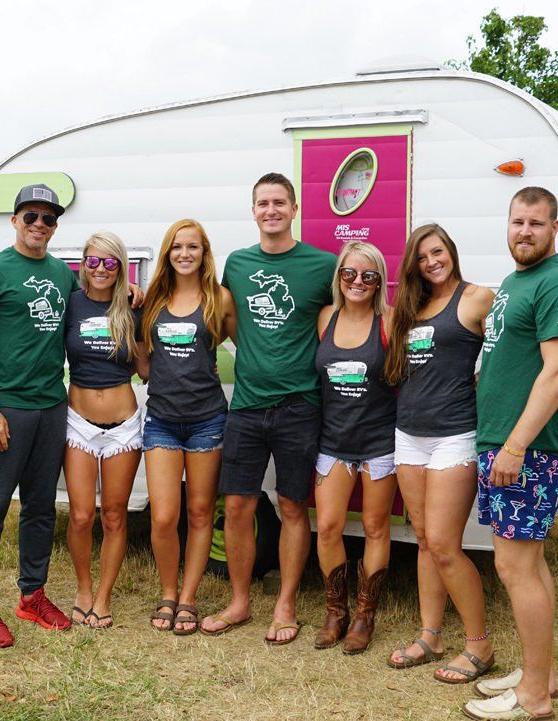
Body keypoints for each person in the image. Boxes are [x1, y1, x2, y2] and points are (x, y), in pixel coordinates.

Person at [462, 187, 558, 721]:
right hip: (504, 443)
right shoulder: (517, 282)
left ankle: (534, 698)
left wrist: (515, 445)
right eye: (518, 221)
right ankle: (543, 675)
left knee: (513, 568)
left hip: (527, 450)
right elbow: (521, 362)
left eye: (536, 223)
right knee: (530, 566)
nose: (525, 232)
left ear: (554, 228)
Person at [200, 172, 337, 645]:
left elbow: (355, 318)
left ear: (294, 209)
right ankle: (239, 602)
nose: (271, 210)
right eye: (263, 203)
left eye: (280, 202)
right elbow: (217, 313)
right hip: (247, 406)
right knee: (237, 505)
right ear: (253, 210)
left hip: (301, 406)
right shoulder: (237, 264)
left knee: (293, 506)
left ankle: (286, 605)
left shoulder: (323, 264)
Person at [0, 183, 75, 648]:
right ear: (15, 221)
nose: (39, 226)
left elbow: (94, 296)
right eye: (31, 216)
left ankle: (32, 596)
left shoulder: (63, 275)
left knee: (41, 509)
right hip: (6, 407)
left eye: (48, 219)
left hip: (51, 406)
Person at [383, 223, 497, 682]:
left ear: (450, 251)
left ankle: (479, 646)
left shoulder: (476, 298)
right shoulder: (409, 308)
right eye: (422, 256)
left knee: (447, 545)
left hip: (455, 434)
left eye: (438, 252)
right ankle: (431, 636)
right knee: (424, 539)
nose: (432, 261)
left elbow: (513, 352)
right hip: (409, 433)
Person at [140, 219, 235, 635]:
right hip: (161, 420)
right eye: (177, 247)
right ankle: (167, 591)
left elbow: (247, 345)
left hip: (207, 420)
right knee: (163, 516)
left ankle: (189, 597)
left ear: (204, 253)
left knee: (199, 513)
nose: (184, 254)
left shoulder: (219, 299)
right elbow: (143, 358)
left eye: (192, 247)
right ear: (167, 253)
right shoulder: (153, 301)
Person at [311, 241, 397, 655]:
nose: (357, 282)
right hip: (333, 442)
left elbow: (428, 371)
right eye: (349, 273)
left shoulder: (391, 322)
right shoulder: (325, 318)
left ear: (379, 281)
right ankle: (336, 611)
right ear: (339, 277)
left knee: (376, 527)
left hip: (379, 443)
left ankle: (364, 616)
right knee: (327, 526)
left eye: (368, 275)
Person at [64, 231, 146, 630]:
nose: (100, 269)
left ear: (122, 267)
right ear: (82, 264)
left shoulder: (133, 308)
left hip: (123, 427)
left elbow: (147, 366)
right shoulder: (70, 302)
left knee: (114, 515)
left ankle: (103, 597)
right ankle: (82, 589)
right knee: (81, 515)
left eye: (110, 263)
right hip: (77, 422)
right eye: (93, 262)